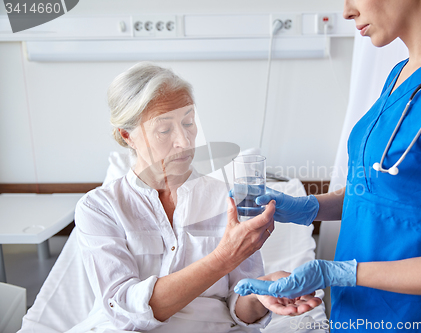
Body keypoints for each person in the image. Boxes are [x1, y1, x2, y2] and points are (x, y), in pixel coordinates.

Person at [235, 0, 421, 331]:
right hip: (357, 317)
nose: (346, 11)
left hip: (418, 321)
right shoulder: (403, 73)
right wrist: (309, 208)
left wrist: (341, 272)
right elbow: (385, 195)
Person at [70, 63, 321, 333]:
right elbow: (126, 311)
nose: (184, 141)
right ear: (127, 135)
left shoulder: (226, 200)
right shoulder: (99, 208)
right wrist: (224, 257)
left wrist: (265, 290)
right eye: (164, 130)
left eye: (189, 123)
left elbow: (241, 309)